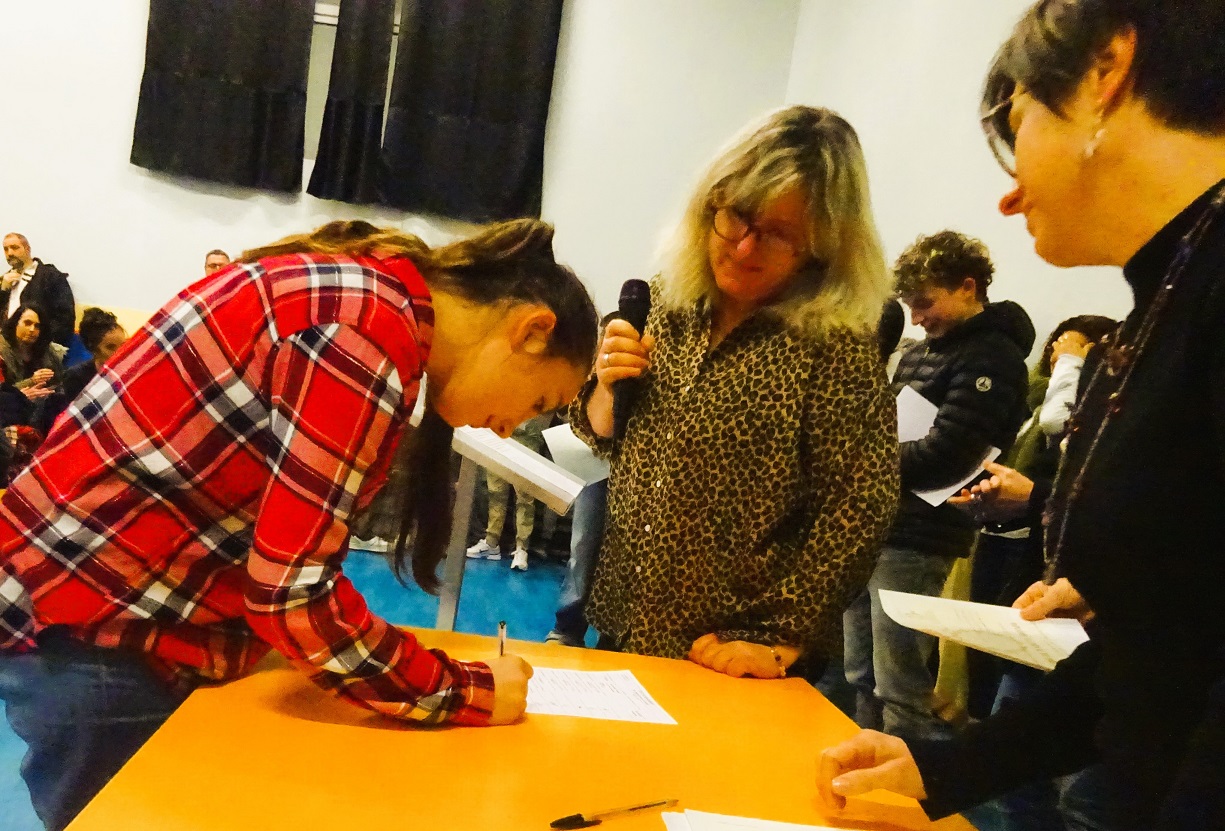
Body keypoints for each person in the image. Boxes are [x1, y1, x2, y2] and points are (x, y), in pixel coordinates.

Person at [0, 218, 599, 831]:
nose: (511, 426)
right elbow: (291, 593)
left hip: (91, 606)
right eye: (540, 402)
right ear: (532, 331)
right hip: (87, 625)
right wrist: (464, 689)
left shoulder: (368, 294)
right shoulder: (364, 332)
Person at [818, 1, 1225, 829]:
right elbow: (1159, 642)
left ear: (1106, 72)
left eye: (1018, 126)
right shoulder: (1168, 295)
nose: (1007, 197)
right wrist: (944, 767)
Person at [569, 105, 899, 679]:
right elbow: (602, 435)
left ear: (823, 246)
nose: (745, 248)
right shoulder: (666, 301)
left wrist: (781, 638)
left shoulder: (835, 346)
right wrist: (603, 387)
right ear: (710, 204)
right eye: (738, 217)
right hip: (623, 623)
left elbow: (858, 506)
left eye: (778, 235)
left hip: (729, 655)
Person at [843, 231, 1032, 741]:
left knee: (899, 683)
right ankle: (864, 759)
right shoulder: (921, 353)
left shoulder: (994, 358)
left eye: (924, 303)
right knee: (861, 672)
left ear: (968, 287)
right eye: (910, 306)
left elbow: (950, 453)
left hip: (921, 536)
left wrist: (864, 460)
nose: (917, 318)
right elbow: (884, 427)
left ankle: (907, 778)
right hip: (877, 522)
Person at [465, 413, 552, 570]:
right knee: (495, 491)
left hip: (526, 433)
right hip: (498, 430)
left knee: (524, 495)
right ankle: (492, 541)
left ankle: (522, 548)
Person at [1, 233, 76, 346]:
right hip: (7, 345)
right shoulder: (5, 279)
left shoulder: (51, 277)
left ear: (27, 249)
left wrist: (42, 343)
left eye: (15, 248)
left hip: (39, 346)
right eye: (6, 249)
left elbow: (65, 319)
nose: (10, 253)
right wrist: (3, 291)